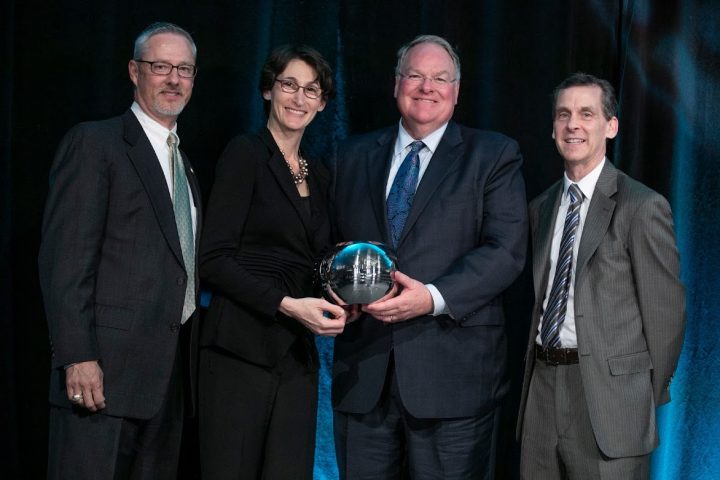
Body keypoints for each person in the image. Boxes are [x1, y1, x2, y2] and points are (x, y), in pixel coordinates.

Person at [329, 34, 528, 479]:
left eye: (440, 78)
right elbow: (329, 244)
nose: (427, 87)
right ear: (396, 85)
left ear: (456, 91)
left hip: (453, 380)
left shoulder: (493, 155)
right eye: (415, 76)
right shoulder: (351, 155)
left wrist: (433, 297)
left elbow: (506, 250)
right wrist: (336, 288)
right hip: (364, 377)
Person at [38, 22, 200, 479]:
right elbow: (65, 261)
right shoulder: (96, 143)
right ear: (134, 71)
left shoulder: (184, 163)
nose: (173, 79)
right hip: (99, 379)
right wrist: (77, 356)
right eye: (161, 66)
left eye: (184, 69)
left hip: (164, 385)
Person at [517, 73, 686, 479]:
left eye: (586, 114)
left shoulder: (642, 206)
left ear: (610, 126)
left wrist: (636, 394)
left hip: (610, 404)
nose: (573, 124)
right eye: (564, 114)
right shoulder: (540, 208)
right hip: (541, 389)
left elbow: (666, 318)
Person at [198, 44, 346, 479]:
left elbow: (317, 262)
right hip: (238, 350)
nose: (299, 98)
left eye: (311, 90)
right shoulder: (245, 154)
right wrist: (286, 303)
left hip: (296, 357)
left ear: (321, 104)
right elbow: (213, 259)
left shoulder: (318, 173)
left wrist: (346, 297)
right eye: (289, 85)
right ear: (268, 90)